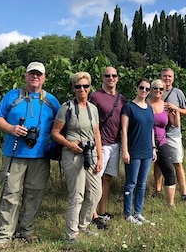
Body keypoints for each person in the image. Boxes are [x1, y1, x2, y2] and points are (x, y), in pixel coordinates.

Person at [0, 62, 60, 251]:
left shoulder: (51, 101)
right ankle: (4, 236)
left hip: (40, 156)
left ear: (44, 77)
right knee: (10, 194)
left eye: (39, 74)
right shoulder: (12, 96)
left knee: (34, 194)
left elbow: (61, 124)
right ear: (26, 76)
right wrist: (11, 129)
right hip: (13, 154)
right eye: (32, 73)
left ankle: (26, 229)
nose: (35, 77)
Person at [51, 72, 103, 244]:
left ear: (89, 88)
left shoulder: (93, 108)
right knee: (77, 195)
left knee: (96, 193)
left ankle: (83, 224)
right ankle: (71, 235)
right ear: (73, 88)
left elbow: (97, 134)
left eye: (85, 86)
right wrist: (69, 144)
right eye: (78, 86)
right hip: (72, 153)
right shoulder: (67, 108)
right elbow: (55, 133)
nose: (82, 89)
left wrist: (100, 158)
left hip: (91, 154)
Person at [89, 67, 126, 230]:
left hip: (115, 143)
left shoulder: (122, 98)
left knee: (107, 178)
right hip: (101, 143)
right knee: (96, 178)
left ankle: (102, 211)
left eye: (114, 76)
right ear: (102, 78)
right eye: (107, 75)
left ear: (117, 78)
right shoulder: (95, 96)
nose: (111, 78)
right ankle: (93, 214)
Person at [121, 78, 157, 225]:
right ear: (136, 88)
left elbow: (151, 130)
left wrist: (154, 148)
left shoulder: (149, 108)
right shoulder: (128, 107)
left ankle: (138, 212)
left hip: (147, 151)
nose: (144, 91)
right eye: (141, 88)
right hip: (134, 150)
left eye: (147, 89)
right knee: (131, 183)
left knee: (142, 183)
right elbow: (123, 130)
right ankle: (128, 213)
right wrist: (125, 150)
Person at [152, 68, 186, 201]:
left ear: (173, 78)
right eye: (164, 76)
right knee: (157, 163)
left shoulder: (178, 93)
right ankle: (157, 189)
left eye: (169, 76)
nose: (167, 78)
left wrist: (175, 108)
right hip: (158, 135)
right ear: (160, 77)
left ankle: (184, 193)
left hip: (173, 134)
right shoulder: (155, 92)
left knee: (177, 163)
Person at [147, 79, 180, 207]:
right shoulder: (145, 104)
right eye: (155, 88)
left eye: (161, 89)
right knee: (141, 174)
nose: (158, 91)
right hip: (146, 143)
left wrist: (176, 110)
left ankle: (170, 204)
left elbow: (175, 124)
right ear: (151, 90)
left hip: (161, 142)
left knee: (169, 172)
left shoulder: (166, 106)